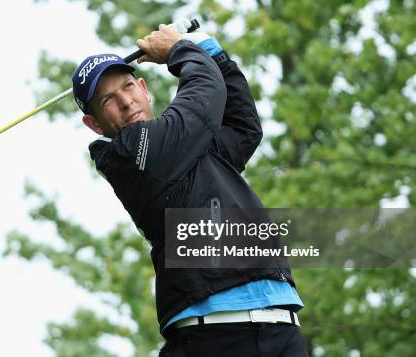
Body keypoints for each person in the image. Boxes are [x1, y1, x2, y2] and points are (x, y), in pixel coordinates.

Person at [72, 20, 309, 356]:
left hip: (281, 327)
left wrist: (210, 49)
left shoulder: (186, 145)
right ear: (94, 124)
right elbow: (204, 98)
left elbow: (242, 127)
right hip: (211, 337)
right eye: (109, 99)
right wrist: (180, 50)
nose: (125, 101)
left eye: (127, 87)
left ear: (144, 87)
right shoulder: (128, 155)